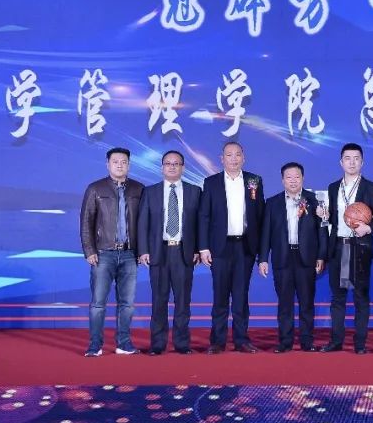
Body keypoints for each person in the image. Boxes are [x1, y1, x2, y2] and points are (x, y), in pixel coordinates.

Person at [198, 141, 265, 354]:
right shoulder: (211, 182)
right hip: (220, 247)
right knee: (220, 295)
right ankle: (217, 341)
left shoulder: (254, 181)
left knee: (241, 295)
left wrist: (261, 251)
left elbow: (260, 216)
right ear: (222, 159)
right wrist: (203, 247)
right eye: (229, 155)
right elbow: (204, 216)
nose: (234, 159)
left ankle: (241, 340)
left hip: (245, 246)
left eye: (237, 155)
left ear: (243, 158)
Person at [79, 147, 144, 357]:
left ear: (129, 165)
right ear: (107, 164)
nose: (119, 165)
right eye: (115, 161)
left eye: (124, 162)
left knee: (127, 304)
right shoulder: (95, 188)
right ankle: (95, 345)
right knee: (98, 304)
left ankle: (123, 343)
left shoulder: (138, 189)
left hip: (130, 254)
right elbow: (86, 222)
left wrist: (142, 251)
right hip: (103, 254)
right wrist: (89, 250)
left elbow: (144, 224)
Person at [318, 143, 373, 354]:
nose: (352, 162)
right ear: (341, 162)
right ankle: (336, 341)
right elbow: (332, 219)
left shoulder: (371, 187)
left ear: (362, 162)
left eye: (356, 158)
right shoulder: (332, 188)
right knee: (337, 297)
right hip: (338, 246)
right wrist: (324, 217)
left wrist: (369, 228)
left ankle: (360, 344)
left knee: (361, 297)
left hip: (359, 247)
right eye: (347, 158)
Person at [137, 150, 201, 356]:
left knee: (183, 301)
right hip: (159, 252)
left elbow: (200, 224)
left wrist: (198, 249)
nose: (172, 167)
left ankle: (182, 343)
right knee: (159, 300)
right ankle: (157, 344)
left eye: (176, 164)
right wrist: (143, 250)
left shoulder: (194, 191)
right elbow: (142, 223)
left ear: (183, 167)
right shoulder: (150, 192)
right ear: (162, 167)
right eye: (168, 163)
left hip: (184, 252)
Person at [259, 162, 326, 352]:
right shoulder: (272, 203)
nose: (293, 180)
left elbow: (322, 231)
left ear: (303, 178)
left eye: (297, 176)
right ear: (282, 180)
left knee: (307, 302)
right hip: (282, 257)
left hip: (307, 258)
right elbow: (266, 233)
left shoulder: (314, 201)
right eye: (289, 177)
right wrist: (263, 258)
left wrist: (321, 256)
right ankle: (285, 341)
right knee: (284, 303)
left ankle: (307, 341)